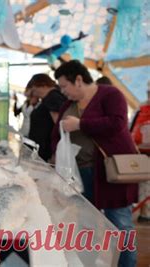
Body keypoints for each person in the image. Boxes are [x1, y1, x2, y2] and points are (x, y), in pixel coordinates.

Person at [51, 60, 138, 267]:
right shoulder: (68, 104)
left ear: (79, 80)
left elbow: (117, 123)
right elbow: (56, 132)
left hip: (109, 172)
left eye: (65, 86)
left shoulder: (110, 95)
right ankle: (87, 263)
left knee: (120, 224)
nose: (63, 92)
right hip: (80, 175)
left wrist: (80, 124)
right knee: (85, 225)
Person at [27, 73, 66, 162]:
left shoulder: (52, 97)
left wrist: (55, 152)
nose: (34, 92)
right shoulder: (47, 98)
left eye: (34, 88)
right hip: (42, 149)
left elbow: (59, 126)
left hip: (47, 152)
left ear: (43, 85)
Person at [130, 84, 150, 223]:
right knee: (144, 183)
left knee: (145, 183)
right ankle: (145, 212)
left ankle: (145, 212)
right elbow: (131, 127)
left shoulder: (141, 108)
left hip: (140, 151)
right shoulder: (141, 108)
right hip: (141, 152)